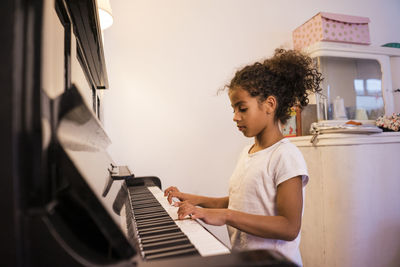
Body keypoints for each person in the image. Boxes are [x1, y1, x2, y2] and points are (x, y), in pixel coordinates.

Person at [164, 48, 322, 266]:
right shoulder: (248, 153)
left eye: (242, 108)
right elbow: (242, 202)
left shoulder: (286, 156)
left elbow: (289, 227)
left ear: (269, 104)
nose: (235, 117)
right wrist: (195, 201)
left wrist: (227, 216)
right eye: (234, 109)